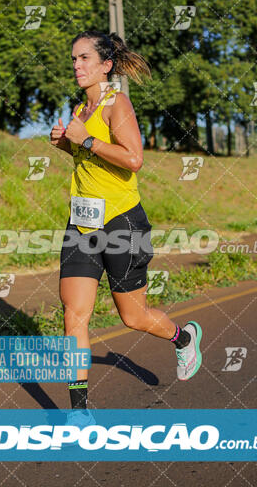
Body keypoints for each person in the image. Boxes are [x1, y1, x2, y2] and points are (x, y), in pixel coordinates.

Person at [50, 30, 202, 429]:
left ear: (106, 65)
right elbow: (88, 155)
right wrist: (68, 144)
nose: (77, 66)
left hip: (122, 223)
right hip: (83, 222)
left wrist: (87, 140)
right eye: (74, 59)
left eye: (84, 58)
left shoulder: (118, 105)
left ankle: (183, 338)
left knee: (132, 317)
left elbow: (133, 159)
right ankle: (78, 412)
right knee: (74, 316)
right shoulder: (80, 111)